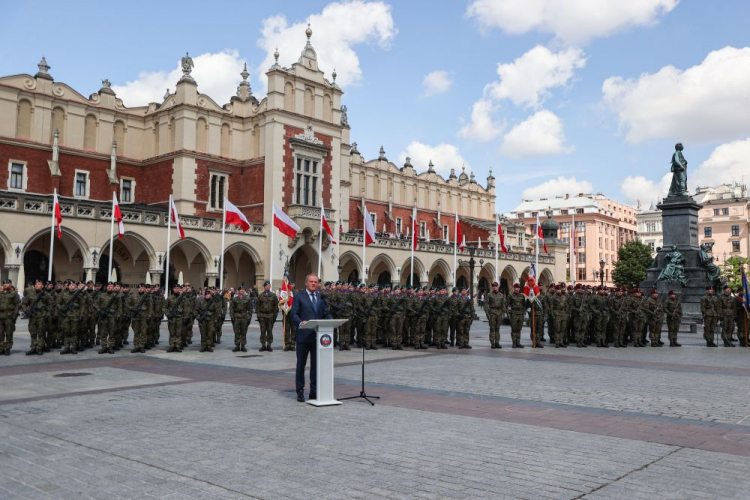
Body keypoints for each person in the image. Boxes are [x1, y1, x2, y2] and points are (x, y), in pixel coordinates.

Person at [290, 273, 331, 402]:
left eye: (316, 282)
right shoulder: (299, 297)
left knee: (315, 366)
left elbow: (325, 313)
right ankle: (300, 391)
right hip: (303, 336)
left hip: (317, 337)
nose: (314, 283)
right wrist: (299, 322)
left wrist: (330, 321)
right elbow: (294, 314)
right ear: (306, 283)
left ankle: (313, 391)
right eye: (311, 282)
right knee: (301, 365)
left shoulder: (321, 297)